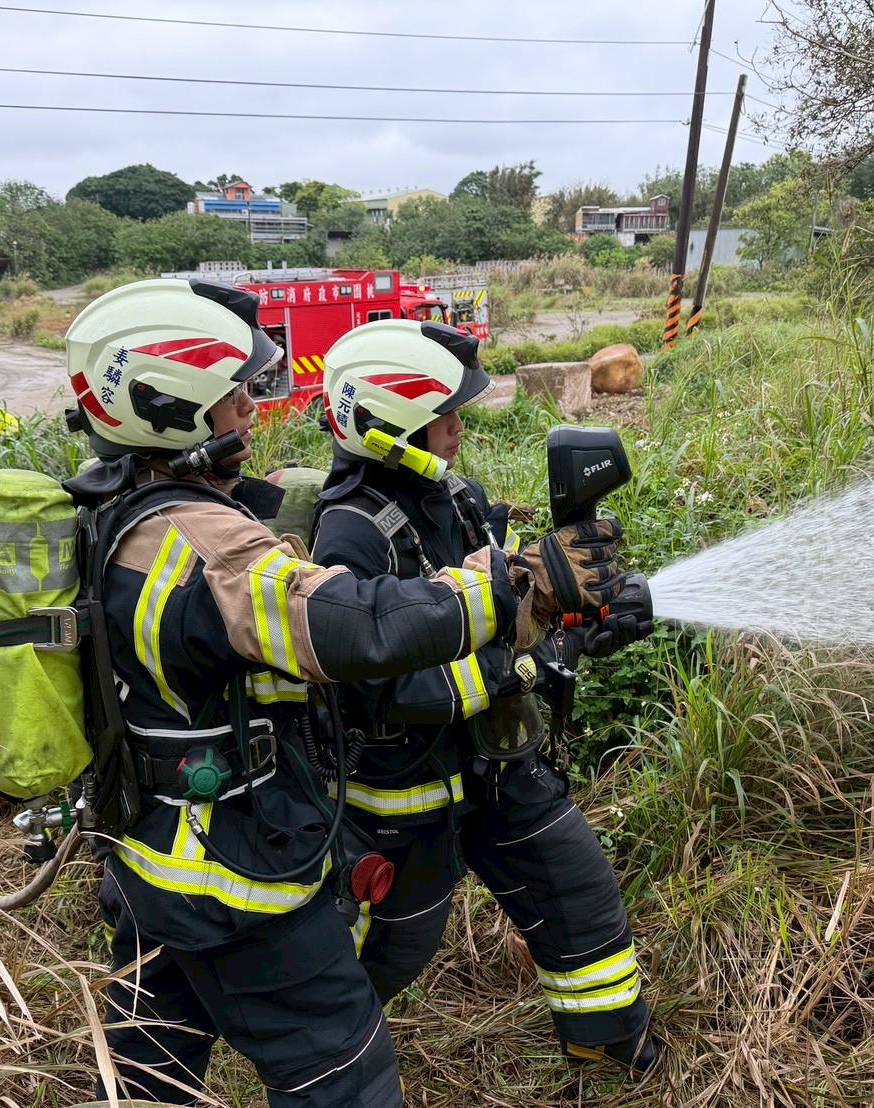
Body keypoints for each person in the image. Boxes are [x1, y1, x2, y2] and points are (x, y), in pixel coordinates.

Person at [63, 279, 629, 1106]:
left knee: (153, 1047)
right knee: (342, 1070)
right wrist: (507, 588)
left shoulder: (117, 510)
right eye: (232, 397)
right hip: (230, 871)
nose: (251, 411)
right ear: (168, 403)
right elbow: (348, 624)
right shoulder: (193, 538)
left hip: (156, 848)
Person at [309, 319, 660, 1077]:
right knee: (385, 952)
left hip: (503, 766)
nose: (459, 428)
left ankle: (607, 1047)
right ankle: (319, 1060)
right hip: (407, 800)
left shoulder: (457, 498)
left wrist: (585, 617)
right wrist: (516, 659)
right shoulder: (347, 533)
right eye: (444, 416)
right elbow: (375, 680)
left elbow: (500, 622)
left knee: (580, 899)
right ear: (386, 425)